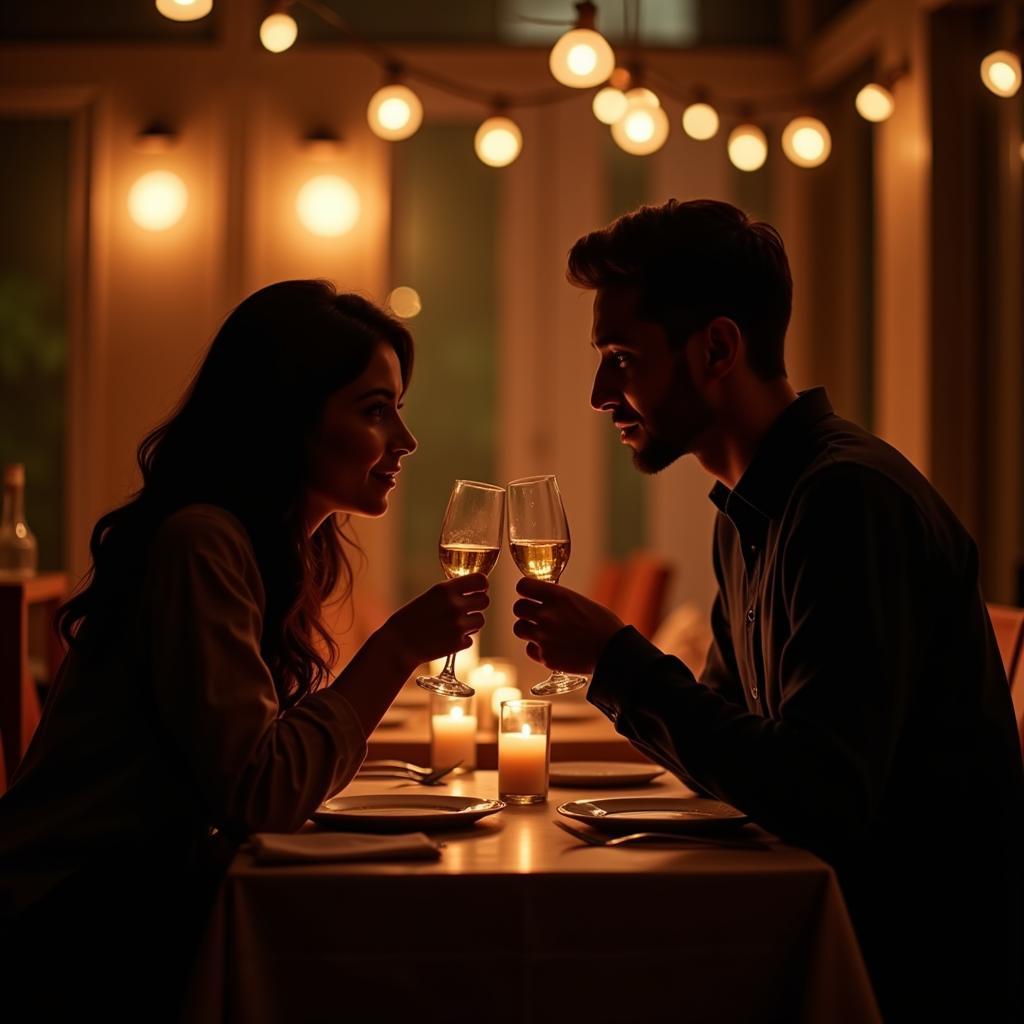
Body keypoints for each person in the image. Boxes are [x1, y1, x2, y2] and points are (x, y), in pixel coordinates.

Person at [511, 199, 1024, 1021]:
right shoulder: (753, 511)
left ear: (717, 348)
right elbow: (732, 741)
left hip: (904, 970)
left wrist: (617, 660)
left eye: (620, 356)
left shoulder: (846, 500)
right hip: (816, 929)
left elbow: (818, 795)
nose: (601, 392)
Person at [0, 280, 489, 1017]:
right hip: (65, 930)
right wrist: (397, 649)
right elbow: (261, 794)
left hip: (137, 907)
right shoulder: (201, 544)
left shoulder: (268, 552)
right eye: (375, 410)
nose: (406, 442)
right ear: (287, 417)